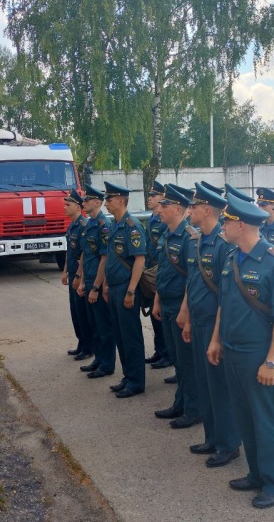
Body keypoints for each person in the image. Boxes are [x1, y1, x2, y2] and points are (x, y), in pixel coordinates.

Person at [207, 194, 274, 509]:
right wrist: (216, 339)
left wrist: (271, 361)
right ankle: (256, 474)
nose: (223, 225)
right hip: (231, 349)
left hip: (259, 353)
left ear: (240, 224)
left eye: (227, 221)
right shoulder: (232, 256)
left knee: (266, 418)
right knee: (244, 415)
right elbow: (224, 303)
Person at [179, 182, 241, 467]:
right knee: (204, 383)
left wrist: (217, 335)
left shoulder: (223, 244)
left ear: (206, 209)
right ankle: (212, 437)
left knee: (220, 386)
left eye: (193, 206)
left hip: (217, 325)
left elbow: (225, 295)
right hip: (199, 321)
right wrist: (187, 317)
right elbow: (193, 283)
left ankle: (229, 444)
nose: (188, 210)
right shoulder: (194, 240)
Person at [152, 187, 202, 429]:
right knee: (177, 360)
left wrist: (185, 310)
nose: (159, 209)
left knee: (188, 361)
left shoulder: (189, 237)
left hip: (181, 308)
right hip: (167, 304)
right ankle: (180, 402)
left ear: (178, 209)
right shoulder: (166, 233)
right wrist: (157, 300)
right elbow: (163, 270)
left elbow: (191, 279)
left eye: (164, 206)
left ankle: (194, 409)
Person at [103, 182, 148, 398]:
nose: (106, 203)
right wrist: (105, 285)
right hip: (114, 288)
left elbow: (139, 259)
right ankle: (127, 376)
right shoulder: (114, 225)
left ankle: (136, 381)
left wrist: (131, 291)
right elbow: (112, 257)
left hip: (126, 289)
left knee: (131, 336)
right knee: (120, 335)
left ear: (121, 201)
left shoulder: (132, 226)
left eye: (109, 199)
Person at [77, 185, 115, 380]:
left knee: (103, 326)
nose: (83, 203)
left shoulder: (103, 225)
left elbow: (104, 259)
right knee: (94, 324)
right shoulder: (88, 225)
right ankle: (99, 359)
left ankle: (107, 364)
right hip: (89, 280)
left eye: (87, 200)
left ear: (97, 203)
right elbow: (85, 256)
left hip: (97, 284)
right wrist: (82, 281)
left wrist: (96, 287)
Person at [62, 189, 92, 360]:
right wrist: (65, 271)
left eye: (68, 205)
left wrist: (79, 277)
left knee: (82, 312)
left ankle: (88, 346)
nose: (65, 208)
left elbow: (83, 254)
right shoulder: (71, 226)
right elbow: (70, 252)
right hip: (73, 272)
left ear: (78, 207)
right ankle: (81, 342)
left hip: (81, 275)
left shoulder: (83, 226)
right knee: (75, 311)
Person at [145, 180, 170, 368]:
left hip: (161, 269)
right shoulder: (151, 219)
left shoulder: (164, 221)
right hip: (152, 271)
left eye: (154, 195)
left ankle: (167, 354)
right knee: (155, 315)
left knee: (162, 315)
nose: (150, 198)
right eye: (149, 195)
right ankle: (159, 350)